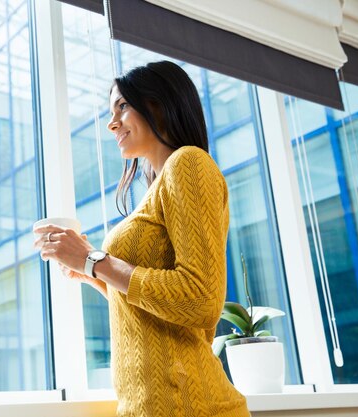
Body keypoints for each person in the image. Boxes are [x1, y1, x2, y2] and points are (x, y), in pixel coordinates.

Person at [34, 60, 250, 417]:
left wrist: (95, 261)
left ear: (158, 104)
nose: (111, 122)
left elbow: (200, 299)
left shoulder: (188, 163)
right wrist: (89, 270)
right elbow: (149, 311)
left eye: (122, 106)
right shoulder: (156, 188)